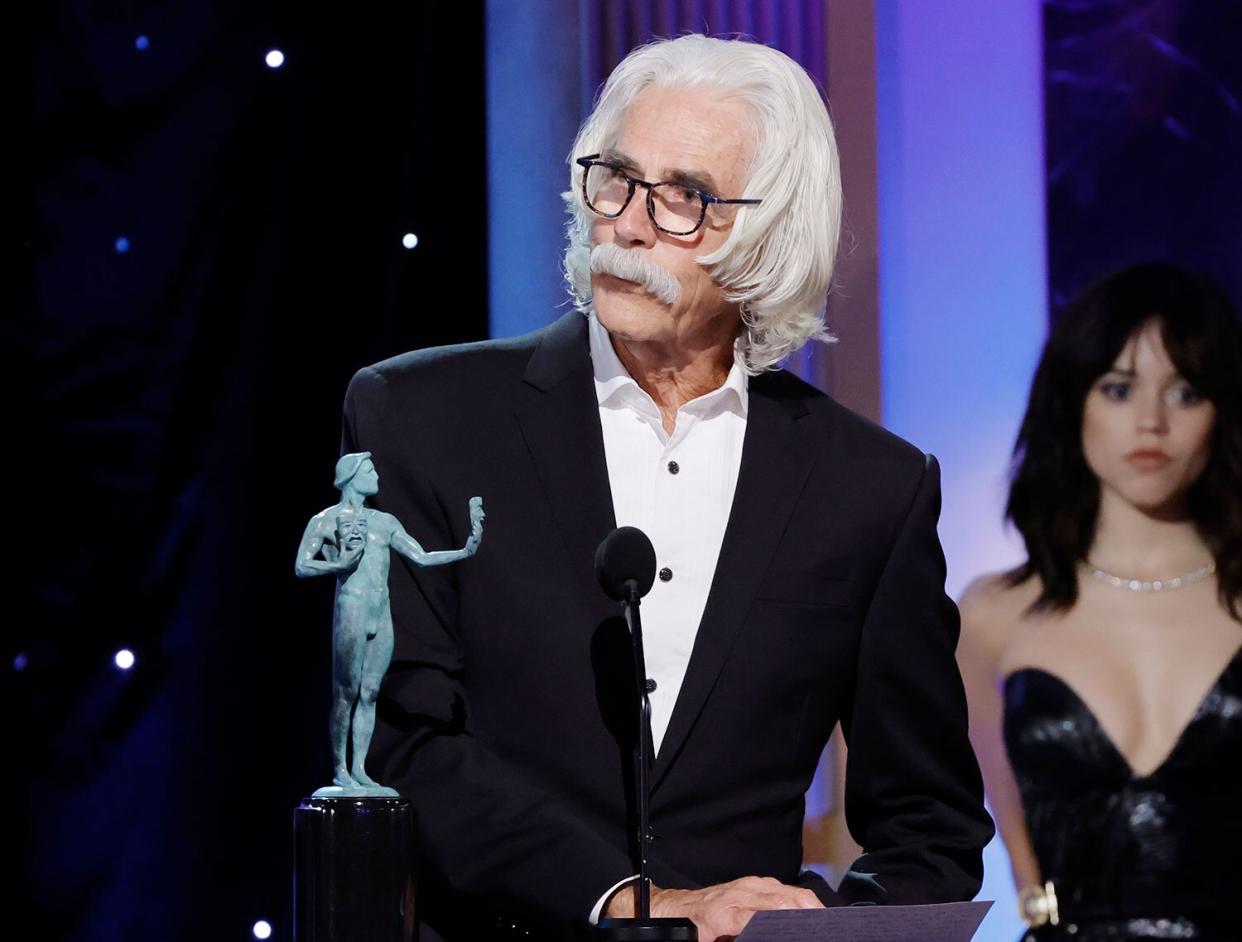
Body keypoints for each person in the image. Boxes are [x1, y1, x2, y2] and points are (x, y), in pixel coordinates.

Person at [347, 35, 991, 942]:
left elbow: (931, 825)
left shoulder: (870, 487)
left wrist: (820, 928)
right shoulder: (422, 418)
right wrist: (626, 903)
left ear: (770, 236)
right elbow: (391, 745)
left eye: (686, 197)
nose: (631, 224)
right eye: (615, 177)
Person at [958, 263, 1242, 941]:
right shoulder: (994, 616)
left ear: (1222, 410)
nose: (1151, 422)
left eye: (1185, 392)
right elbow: (994, 835)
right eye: (1118, 388)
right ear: (1072, 401)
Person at [295, 452, 484, 791]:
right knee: (346, 693)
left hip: (381, 613)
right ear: (351, 476)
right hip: (352, 610)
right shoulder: (326, 520)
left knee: (370, 693)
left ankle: (360, 768)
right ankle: (340, 768)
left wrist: (463, 551)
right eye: (370, 470)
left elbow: (421, 557)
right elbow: (302, 566)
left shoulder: (385, 521)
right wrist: (339, 565)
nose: (377, 476)